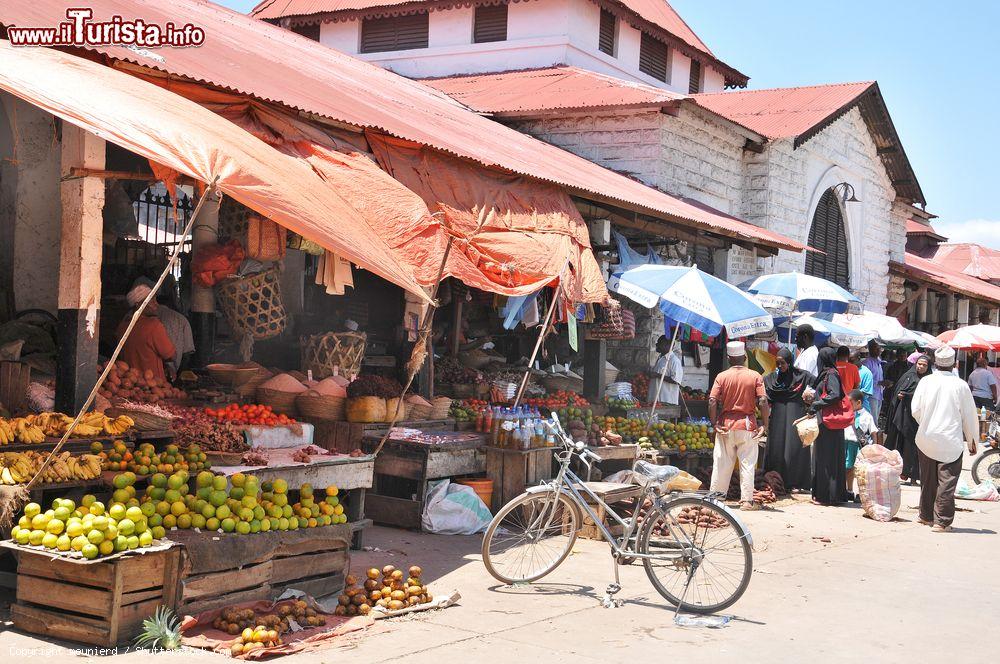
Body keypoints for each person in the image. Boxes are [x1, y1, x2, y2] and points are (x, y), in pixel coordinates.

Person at [910, 347, 980, 532]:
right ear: (954, 364)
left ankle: (925, 516)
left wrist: (926, 423)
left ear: (935, 363)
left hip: (926, 437)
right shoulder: (960, 385)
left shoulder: (926, 382)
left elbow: (915, 409)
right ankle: (942, 521)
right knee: (947, 482)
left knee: (927, 479)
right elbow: (969, 415)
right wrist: (972, 440)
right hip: (950, 440)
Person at [709, 341, 769, 511]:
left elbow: (712, 400)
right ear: (744, 358)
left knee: (721, 463)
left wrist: (714, 423)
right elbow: (763, 400)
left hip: (726, 425)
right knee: (747, 463)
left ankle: (716, 500)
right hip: (748, 425)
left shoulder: (721, 377)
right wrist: (765, 424)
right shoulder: (755, 375)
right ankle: (746, 501)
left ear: (728, 359)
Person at [764, 347, 814, 492]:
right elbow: (761, 387)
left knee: (794, 447)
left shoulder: (801, 376)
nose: (780, 367)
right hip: (778, 415)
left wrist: (811, 398)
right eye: (777, 363)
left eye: (783, 363)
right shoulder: (772, 378)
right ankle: (775, 480)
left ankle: (795, 482)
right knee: (777, 447)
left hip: (796, 413)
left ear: (790, 362)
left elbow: (820, 383)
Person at [882, 354, 931, 483]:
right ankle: (900, 472)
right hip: (903, 417)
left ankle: (914, 476)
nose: (920, 367)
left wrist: (908, 396)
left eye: (924, 365)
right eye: (919, 364)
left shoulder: (929, 381)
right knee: (900, 443)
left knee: (916, 447)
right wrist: (899, 396)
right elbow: (897, 391)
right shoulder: (907, 376)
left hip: (919, 419)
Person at [807, 347, 847, 505]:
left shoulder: (830, 374)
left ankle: (827, 496)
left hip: (829, 423)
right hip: (829, 423)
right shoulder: (829, 373)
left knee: (826, 458)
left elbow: (835, 394)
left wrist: (816, 404)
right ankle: (831, 494)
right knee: (828, 458)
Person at [116, 284, 176, 383]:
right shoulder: (154, 326)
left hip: (130, 383)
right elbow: (170, 355)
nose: (156, 304)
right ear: (138, 304)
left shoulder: (122, 326)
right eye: (152, 300)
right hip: (154, 384)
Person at [844, 389, 878, 502]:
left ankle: (860, 493)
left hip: (859, 445)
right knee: (848, 468)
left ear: (858, 402)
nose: (849, 405)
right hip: (847, 443)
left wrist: (874, 447)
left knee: (860, 470)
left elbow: (873, 432)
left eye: (851, 402)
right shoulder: (847, 414)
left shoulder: (867, 416)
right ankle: (849, 491)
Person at [647, 334, 683, 406]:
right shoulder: (661, 358)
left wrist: (657, 375)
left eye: (659, 343)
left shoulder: (674, 361)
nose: (656, 344)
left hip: (667, 401)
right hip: (655, 401)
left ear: (668, 346)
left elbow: (676, 380)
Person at [862, 340, 887, 424]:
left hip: (879, 394)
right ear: (870, 349)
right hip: (871, 395)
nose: (878, 350)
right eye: (875, 348)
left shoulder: (879, 362)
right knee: (872, 420)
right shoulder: (867, 363)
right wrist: (880, 383)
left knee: (875, 419)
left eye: (879, 348)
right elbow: (866, 380)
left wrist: (884, 384)